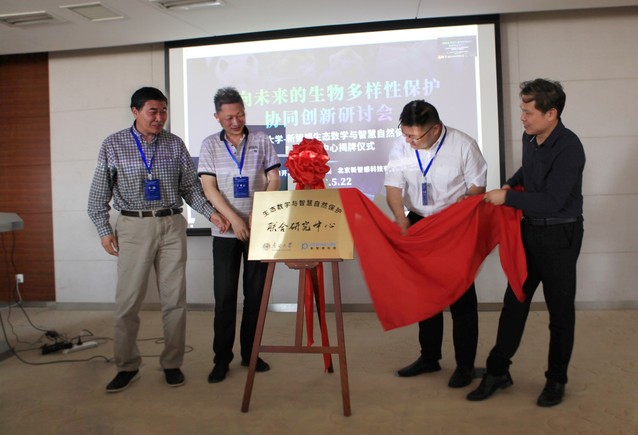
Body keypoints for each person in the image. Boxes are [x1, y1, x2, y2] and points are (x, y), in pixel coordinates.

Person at [88, 86, 228, 393]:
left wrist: (211, 213)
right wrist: (104, 230)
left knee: (175, 301)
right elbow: (98, 195)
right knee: (128, 302)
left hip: (171, 225)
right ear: (135, 111)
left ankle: (172, 363)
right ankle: (127, 366)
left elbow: (190, 189)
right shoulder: (113, 144)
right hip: (133, 226)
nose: (159, 117)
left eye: (163, 111)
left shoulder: (174, 144)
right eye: (153, 111)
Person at [467, 78, 585, 407]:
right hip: (529, 231)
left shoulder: (570, 147)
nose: (522, 117)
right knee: (514, 303)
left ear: (551, 113)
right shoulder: (530, 137)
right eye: (522, 110)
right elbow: (528, 172)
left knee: (560, 313)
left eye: (528, 112)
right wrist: (511, 183)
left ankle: (556, 380)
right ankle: (497, 371)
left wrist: (506, 198)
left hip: (560, 236)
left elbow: (553, 201)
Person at [384, 100, 487, 388]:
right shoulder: (401, 146)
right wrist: (399, 218)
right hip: (418, 221)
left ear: (436, 129)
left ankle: (465, 365)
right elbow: (393, 186)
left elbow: (478, 187)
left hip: (454, 223)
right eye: (405, 134)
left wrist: (465, 203)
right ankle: (429, 357)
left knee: (460, 296)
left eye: (415, 137)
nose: (409, 141)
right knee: (424, 295)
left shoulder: (464, 145)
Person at [198, 87, 281, 383]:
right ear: (217, 117)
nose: (236, 122)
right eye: (229, 117)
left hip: (259, 230)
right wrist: (234, 219)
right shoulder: (210, 144)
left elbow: (274, 177)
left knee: (255, 296)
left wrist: (261, 211)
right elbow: (209, 188)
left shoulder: (261, 140)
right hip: (225, 233)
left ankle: (251, 353)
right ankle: (221, 359)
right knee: (224, 298)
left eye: (241, 115)